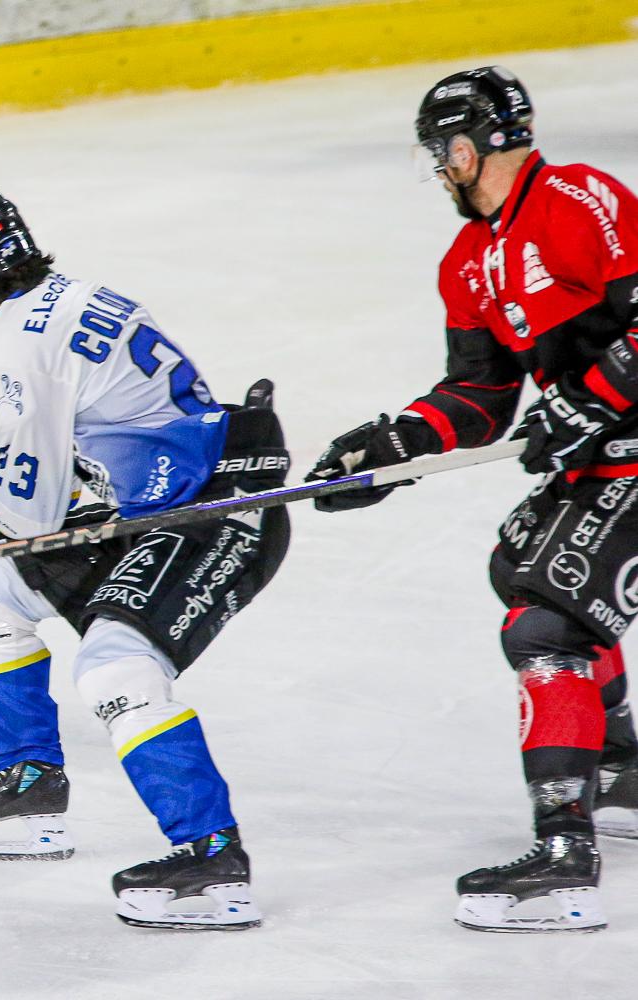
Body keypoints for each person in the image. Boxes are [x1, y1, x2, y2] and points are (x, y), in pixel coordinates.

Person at [308, 67, 638, 932]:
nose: (439, 173)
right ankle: (622, 765)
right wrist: (392, 447)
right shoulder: (468, 260)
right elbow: (479, 396)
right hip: (602, 462)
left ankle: (565, 858)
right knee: (518, 564)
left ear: (463, 149)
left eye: (440, 156)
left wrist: (592, 399)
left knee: (547, 625)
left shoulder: (579, 199)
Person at [0, 187, 291, 929]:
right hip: (168, 501)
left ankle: (213, 859)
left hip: (216, 511)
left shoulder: (11, 347)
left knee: (116, 665)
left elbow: (30, 510)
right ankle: (28, 783)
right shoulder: (74, 294)